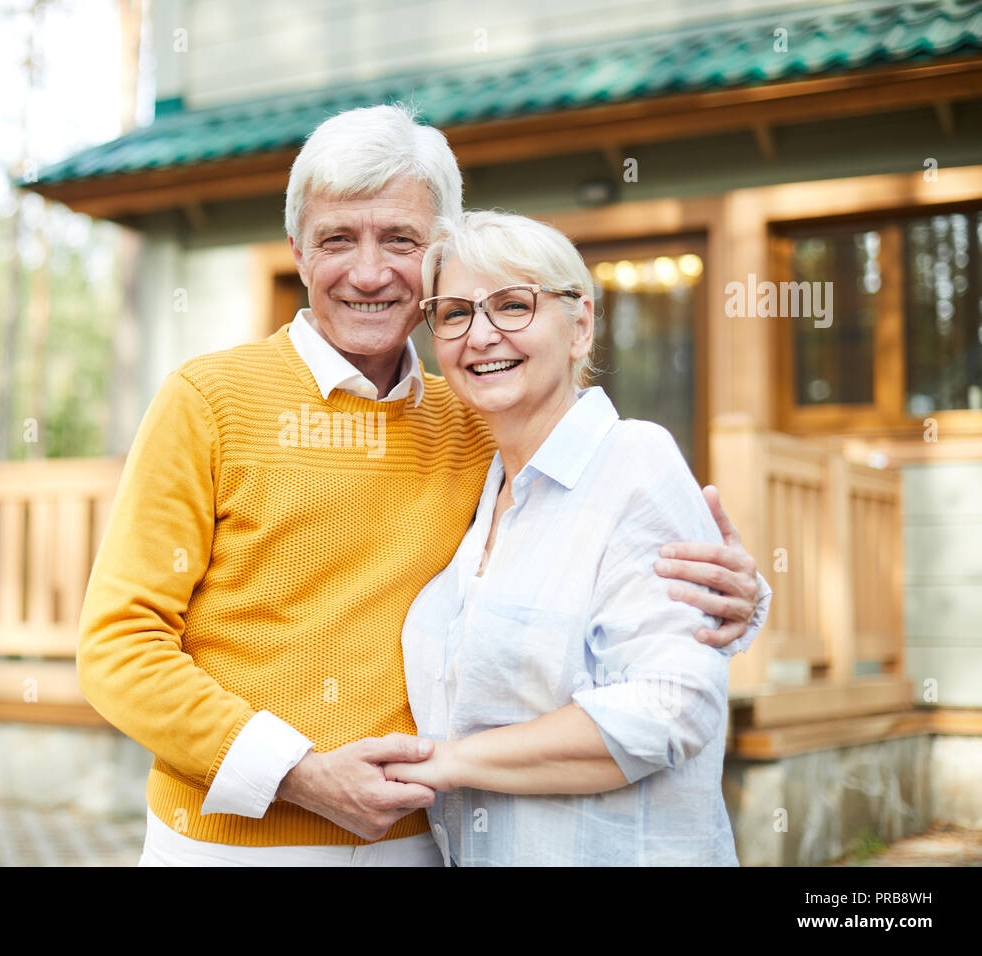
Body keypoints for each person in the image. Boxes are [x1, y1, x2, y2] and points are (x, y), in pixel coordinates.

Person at [75, 103, 770, 866]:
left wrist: (737, 596)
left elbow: (602, 528)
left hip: (426, 840)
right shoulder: (207, 400)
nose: (368, 273)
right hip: (233, 844)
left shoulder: (478, 416)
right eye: (337, 238)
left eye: (400, 240)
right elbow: (120, 646)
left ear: (439, 252)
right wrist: (296, 775)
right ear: (299, 254)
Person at [384, 210, 746, 865]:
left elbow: (673, 705)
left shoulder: (636, 462)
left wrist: (450, 761)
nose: (481, 334)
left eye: (513, 305)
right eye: (456, 313)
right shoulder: (477, 486)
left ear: (580, 327)